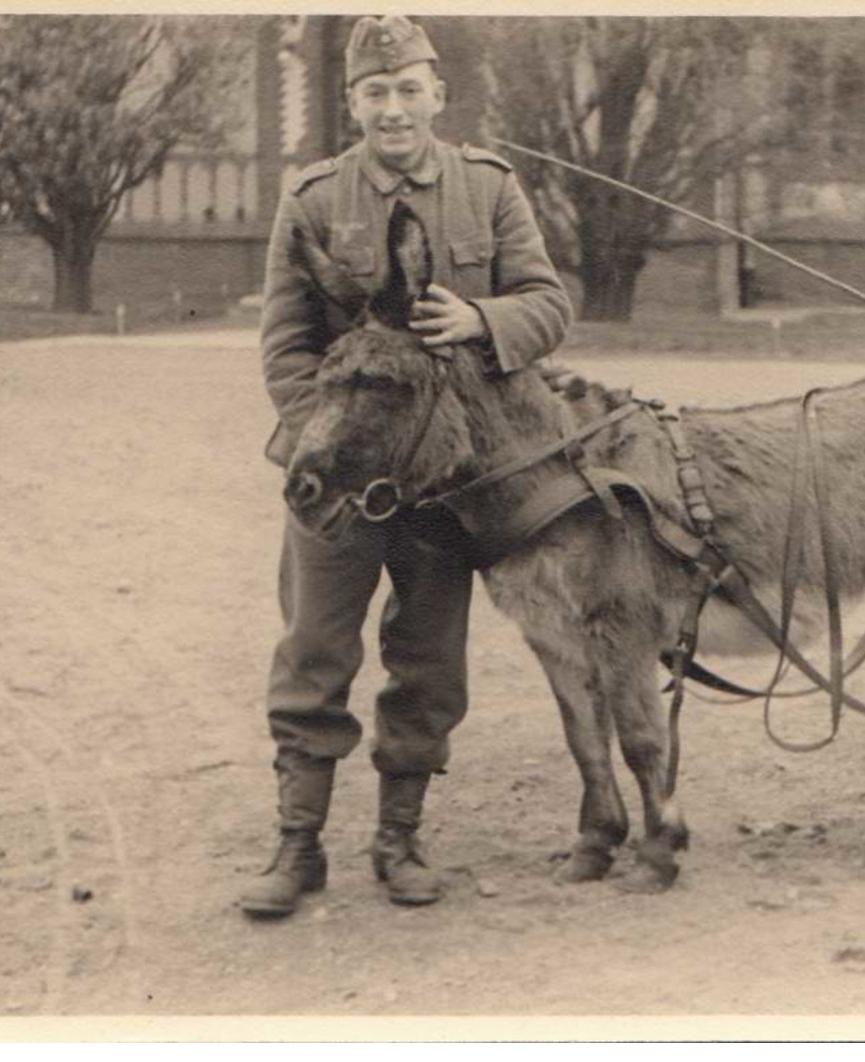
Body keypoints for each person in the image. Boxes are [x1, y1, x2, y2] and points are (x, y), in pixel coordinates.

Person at [241, 15, 572, 915]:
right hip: (340, 482)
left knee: (429, 659)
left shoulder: (488, 189)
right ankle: (297, 846)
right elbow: (285, 347)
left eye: (408, 90)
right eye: (375, 93)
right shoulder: (310, 200)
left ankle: (399, 841)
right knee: (314, 649)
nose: (393, 110)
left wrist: (482, 321)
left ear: (438, 95)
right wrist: (334, 448)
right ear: (352, 102)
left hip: (443, 479)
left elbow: (549, 304)